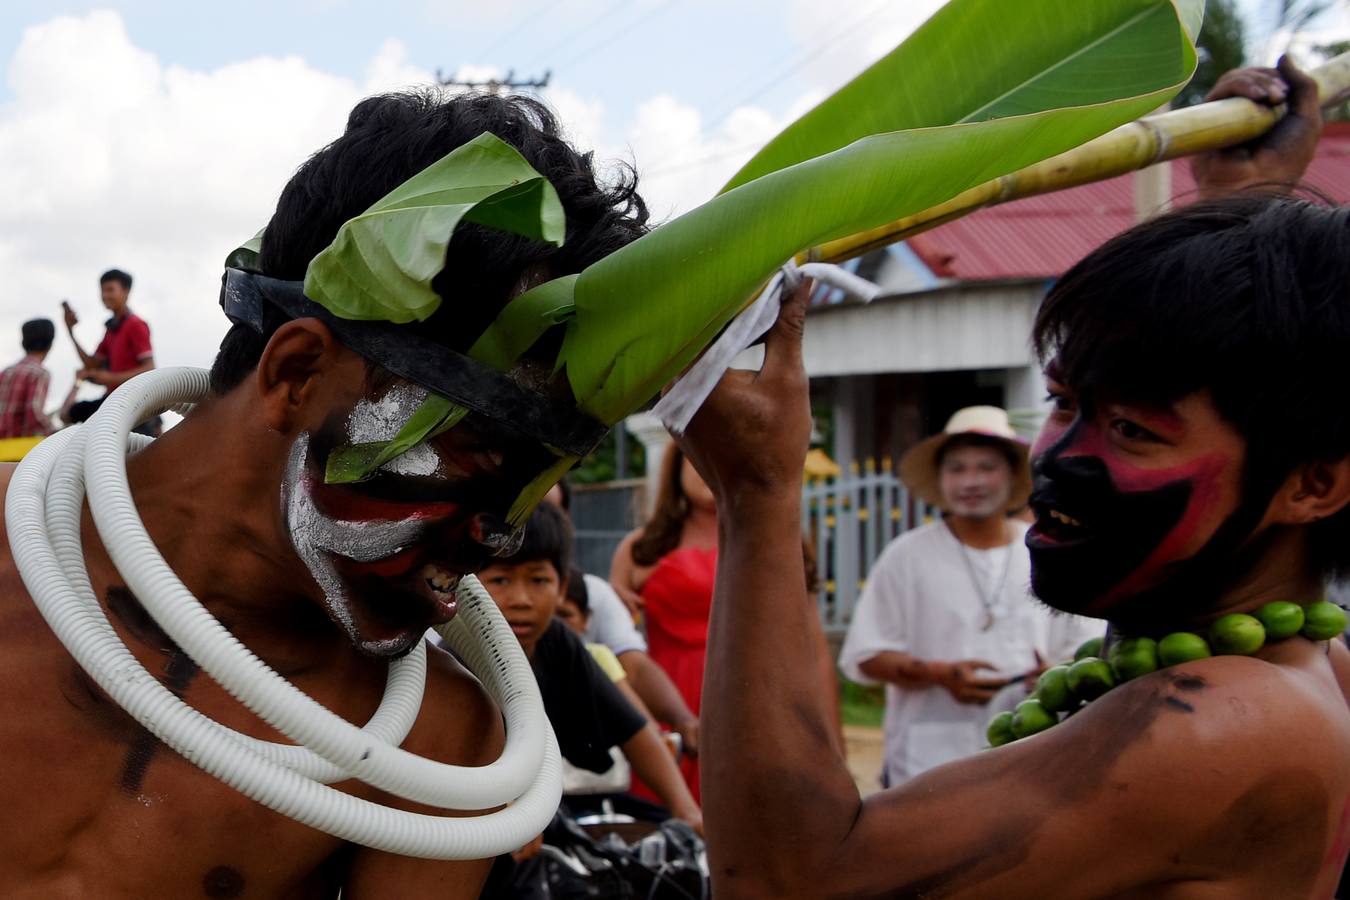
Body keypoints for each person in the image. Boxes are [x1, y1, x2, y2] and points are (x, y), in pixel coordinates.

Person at [684, 58, 1350, 898]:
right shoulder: (1304, 668)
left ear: (1315, 486)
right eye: (1064, 403)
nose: (1059, 459)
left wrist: (760, 494)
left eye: (1135, 431)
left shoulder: (1226, 726)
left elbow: (788, 883)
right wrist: (1243, 211)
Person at [0, 91, 649, 897]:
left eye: (537, 483)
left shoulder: (438, 744)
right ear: (298, 375)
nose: (501, 535)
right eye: (484, 451)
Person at [839, 406, 1098, 786]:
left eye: (986, 467)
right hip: (927, 760)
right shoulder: (907, 556)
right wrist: (936, 674)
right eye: (957, 468)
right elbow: (866, 656)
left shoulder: (1043, 551)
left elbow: (1087, 647)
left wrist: (1051, 676)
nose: (971, 481)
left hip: (1033, 752)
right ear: (941, 479)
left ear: (1012, 476)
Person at [475, 503, 701, 896]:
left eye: (539, 580)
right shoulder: (456, 658)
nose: (522, 598)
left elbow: (635, 732)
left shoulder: (559, 644)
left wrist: (686, 810)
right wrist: (510, 814)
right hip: (471, 823)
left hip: (544, 820)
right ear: (469, 585)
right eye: (501, 580)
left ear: (563, 587)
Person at [544, 480, 701, 758]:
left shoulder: (594, 602)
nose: (522, 600)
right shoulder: (461, 596)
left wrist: (681, 721)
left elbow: (633, 667)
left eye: (547, 512)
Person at [62, 268, 159, 434]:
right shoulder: (111, 329)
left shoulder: (135, 324)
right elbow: (92, 363)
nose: (105, 296)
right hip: (113, 399)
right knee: (69, 414)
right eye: (102, 291)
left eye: (110, 290)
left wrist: (109, 378)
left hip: (132, 400)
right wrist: (71, 331)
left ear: (126, 291)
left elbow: (149, 368)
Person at [0, 319, 57, 439]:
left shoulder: (6, 372)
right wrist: (56, 433)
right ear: (50, 344)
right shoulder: (39, 373)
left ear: (23, 342)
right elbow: (34, 413)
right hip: (19, 448)